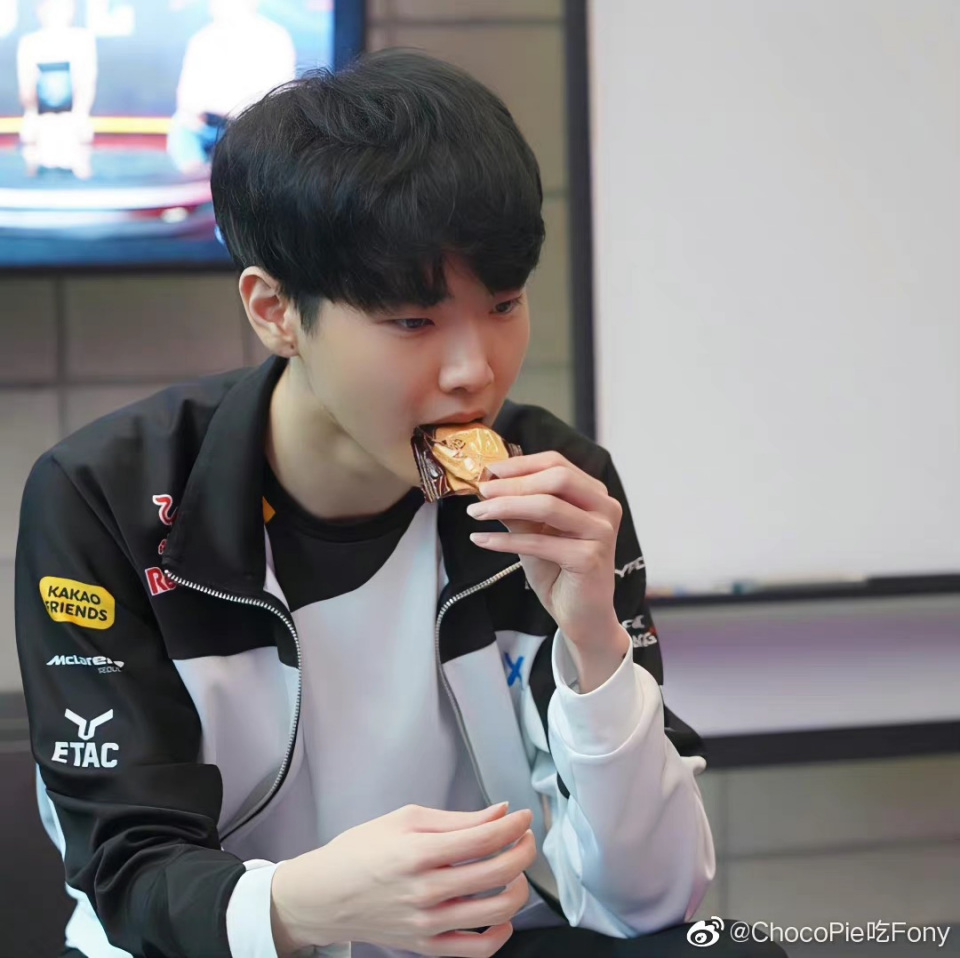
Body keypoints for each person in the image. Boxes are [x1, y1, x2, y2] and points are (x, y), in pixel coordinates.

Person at [15, 50, 788, 958]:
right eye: (413, 322)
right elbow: (128, 875)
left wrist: (595, 646)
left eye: (504, 305)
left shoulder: (557, 486)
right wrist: (310, 904)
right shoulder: (106, 498)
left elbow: (652, 901)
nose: (475, 370)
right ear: (275, 311)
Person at [166, 0, 296, 174]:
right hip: (208, 124)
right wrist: (194, 113)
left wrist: (233, 110)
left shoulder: (274, 37)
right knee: (181, 126)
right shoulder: (202, 40)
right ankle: (195, 178)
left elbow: (280, 95)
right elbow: (187, 96)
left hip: (253, 124)